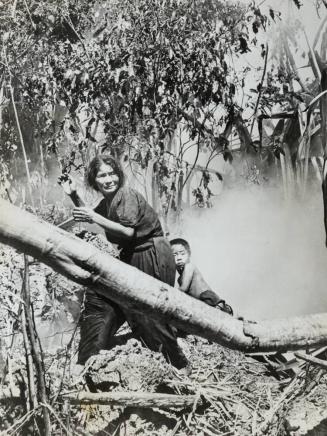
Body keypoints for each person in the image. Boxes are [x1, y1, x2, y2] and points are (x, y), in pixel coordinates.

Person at [59, 155, 188, 370]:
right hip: (132, 255)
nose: (109, 179)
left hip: (151, 253)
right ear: (94, 179)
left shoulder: (126, 195)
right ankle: (90, 358)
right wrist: (74, 195)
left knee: (147, 307)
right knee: (106, 299)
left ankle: (178, 363)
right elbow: (90, 216)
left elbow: (128, 232)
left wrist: (92, 216)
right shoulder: (109, 201)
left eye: (112, 174)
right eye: (102, 175)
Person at [170, 238, 233, 315]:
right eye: (174, 255)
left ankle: (226, 309)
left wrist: (170, 295)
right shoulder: (180, 278)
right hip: (202, 302)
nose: (179, 258)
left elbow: (183, 289)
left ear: (189, 254)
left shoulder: (189, 267)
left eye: (182, 254)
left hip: (210, 299)